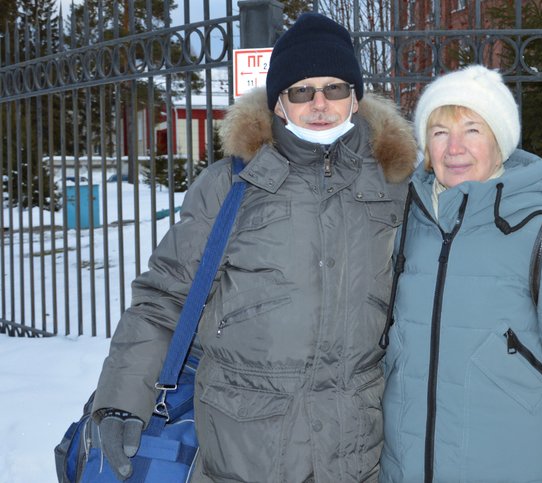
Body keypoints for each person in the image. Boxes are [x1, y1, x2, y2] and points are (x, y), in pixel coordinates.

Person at [90, 12, 415, 482]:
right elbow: (165, 299)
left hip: (354, 452)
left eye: (335, 88)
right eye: (301, 91)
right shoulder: (230, 186)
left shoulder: (394, 189)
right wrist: (121, 400)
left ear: (356, 98)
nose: (319, 103)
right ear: (279, 103)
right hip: (243, 452)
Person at [378, 65, 542, 482]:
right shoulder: (403, 225)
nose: (454, 148)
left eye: (472, 130)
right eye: (439, 132)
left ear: (499, 141)